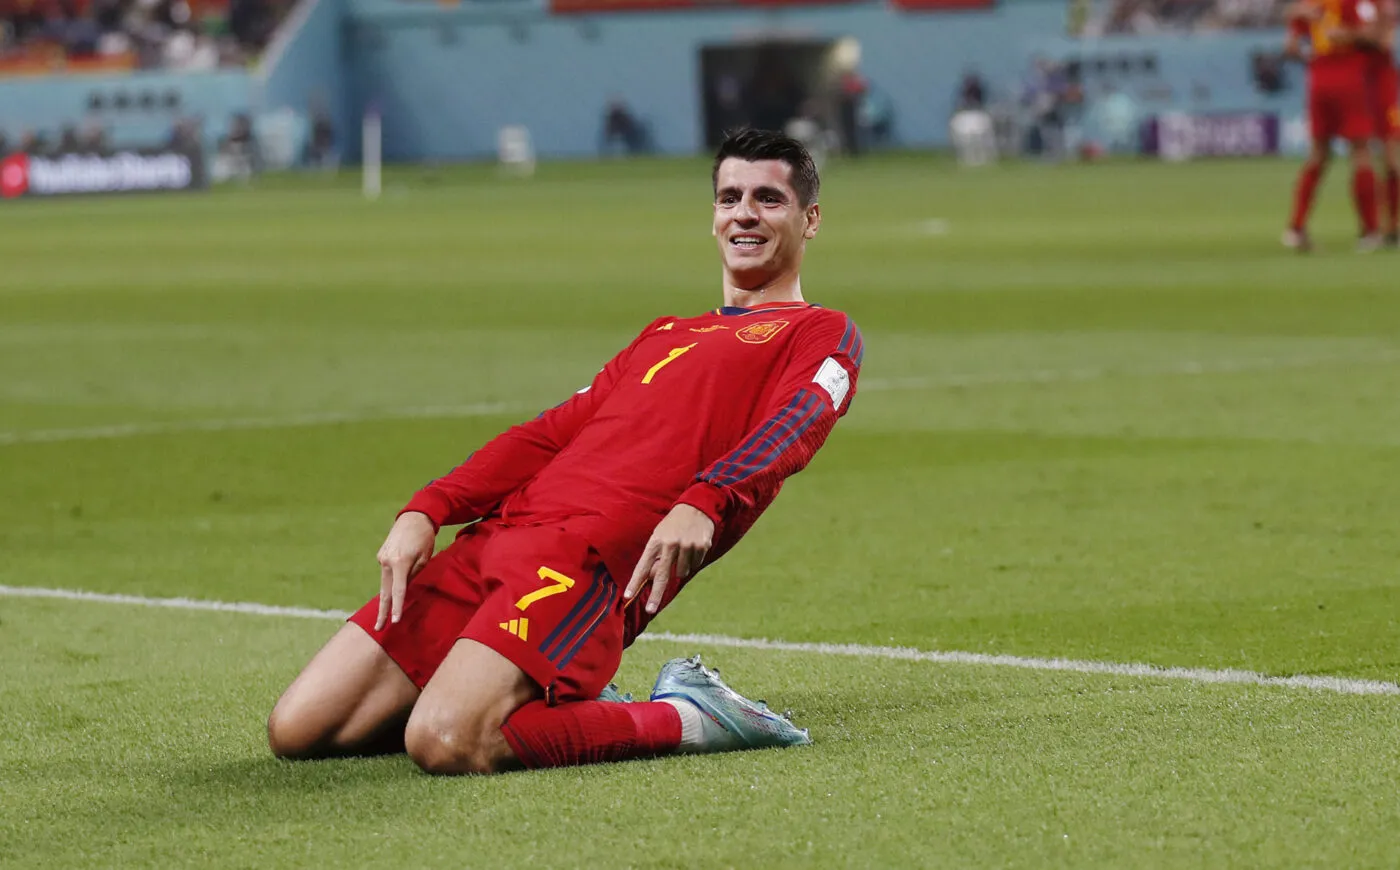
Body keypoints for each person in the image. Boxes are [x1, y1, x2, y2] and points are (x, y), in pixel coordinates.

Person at [266, 129, 864, 775]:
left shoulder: (820, 331)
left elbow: (799, 420)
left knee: (446, 742)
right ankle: (553, 699)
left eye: (768, 199)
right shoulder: (664, 335)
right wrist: (428, 509)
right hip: (495, 540)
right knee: (300, 730)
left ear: (810, 219)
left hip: (581, 563)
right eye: (729, 197)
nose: (744, 213)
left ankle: (694, 716)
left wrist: (707, 498)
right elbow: (548, 434)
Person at [1283, 0, 1382, 252]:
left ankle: (1295, 228)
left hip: (1318, 77)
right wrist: (1349, 35)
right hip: (1349, 75)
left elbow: (1291, 48)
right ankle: (1370, 231)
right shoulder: (1353, 2)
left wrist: (1313, 55)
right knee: (1361, 152)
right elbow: (1372, 35)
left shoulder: (1308, 4)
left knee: (1318, 154)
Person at [1364, 0, 1399, 245]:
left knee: (1390, 156)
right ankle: (1386, 226)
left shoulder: (1384, 6)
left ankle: (1389, 226)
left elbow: (1382, 40)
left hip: (1387, 89)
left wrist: (1347, 34)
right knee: (1381, 158)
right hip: (1366, 84)